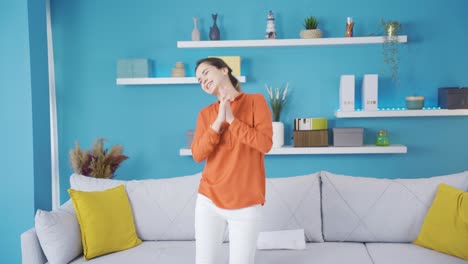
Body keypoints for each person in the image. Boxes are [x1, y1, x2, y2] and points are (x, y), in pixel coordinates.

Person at [192, 57, 273, 264]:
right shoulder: (205, 114)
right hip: (208, 200)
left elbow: (265, 144)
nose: (203, 81)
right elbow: (198, 154)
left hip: (246, 203)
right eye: (199, 80)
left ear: (224, 70)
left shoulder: (256, 102)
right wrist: (218, 122)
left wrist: (231, 120)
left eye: (206, 73)